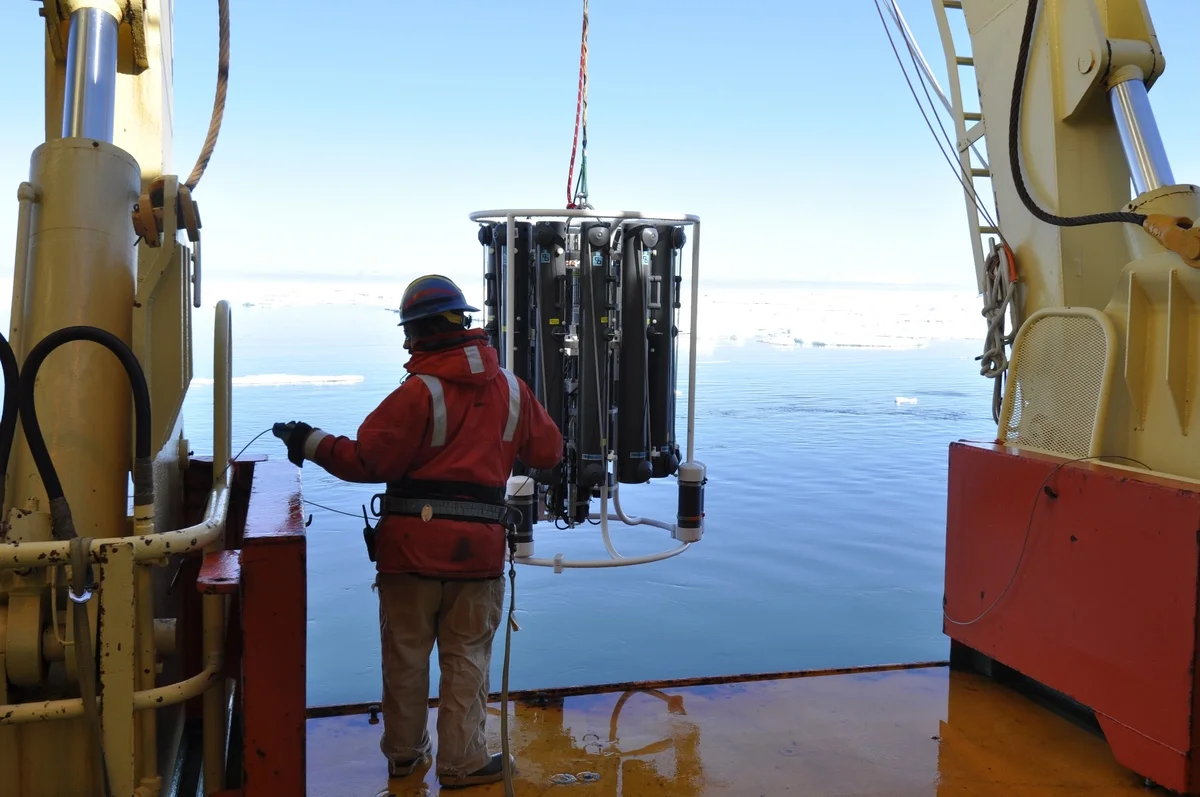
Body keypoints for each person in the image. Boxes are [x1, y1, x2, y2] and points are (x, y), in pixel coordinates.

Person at [272, 274, 563, 789]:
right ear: (464, 323)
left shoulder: (417, 393)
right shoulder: (513, 390)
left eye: (408, 332)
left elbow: (367, 459)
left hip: (408, 554)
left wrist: (308, 441)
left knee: (405, 659)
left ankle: (406, 757)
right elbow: (548, 452)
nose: (406, 343)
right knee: (468, 658)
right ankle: (463, 762)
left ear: (420, 332)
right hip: (479, 555)